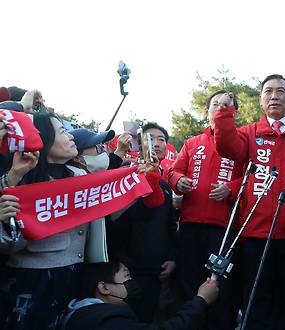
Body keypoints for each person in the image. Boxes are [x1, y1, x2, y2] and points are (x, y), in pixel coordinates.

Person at [213, 74, 285, 329]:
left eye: (280, 91)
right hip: (255, 231)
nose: (274, 96)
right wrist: (224, 113)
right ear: (260, 99)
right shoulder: (249, 132)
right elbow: (226, 146)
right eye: (268, 91)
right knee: (257, 296)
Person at [0, 113, 105, 330]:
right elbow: (9, 245)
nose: (71, 137)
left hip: (73, 274)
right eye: (63, 132)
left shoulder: (80, 176)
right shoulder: (19, 181)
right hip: (31, 281)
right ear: (45, 139)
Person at [166, 91, 243, 329]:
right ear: (206, 112)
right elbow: (172, 171)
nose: (220, 109)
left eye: (225, 105)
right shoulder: (192, 143)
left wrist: (230, 188)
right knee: (188, 283)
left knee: (220, 287)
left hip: (223, 228)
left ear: (234, 113)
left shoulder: (241, 141)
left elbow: (251, 178)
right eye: (215, 105)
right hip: (189, 225)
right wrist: (178, 180)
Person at [108, 122, 177, 322]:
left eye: (161, 139)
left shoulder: (165, 185)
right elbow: (114, 223)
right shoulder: (123, 179)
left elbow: (169, 225)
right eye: (150, 138)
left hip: (155, 272)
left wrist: (172, 257)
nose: (156, 144)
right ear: (139, 144)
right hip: (124, 272)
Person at [61, 262, 218, 330]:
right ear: (104, 287)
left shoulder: (83, 314)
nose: (132, 283)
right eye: (127, 276)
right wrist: (201, 300)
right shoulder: (106, 323)